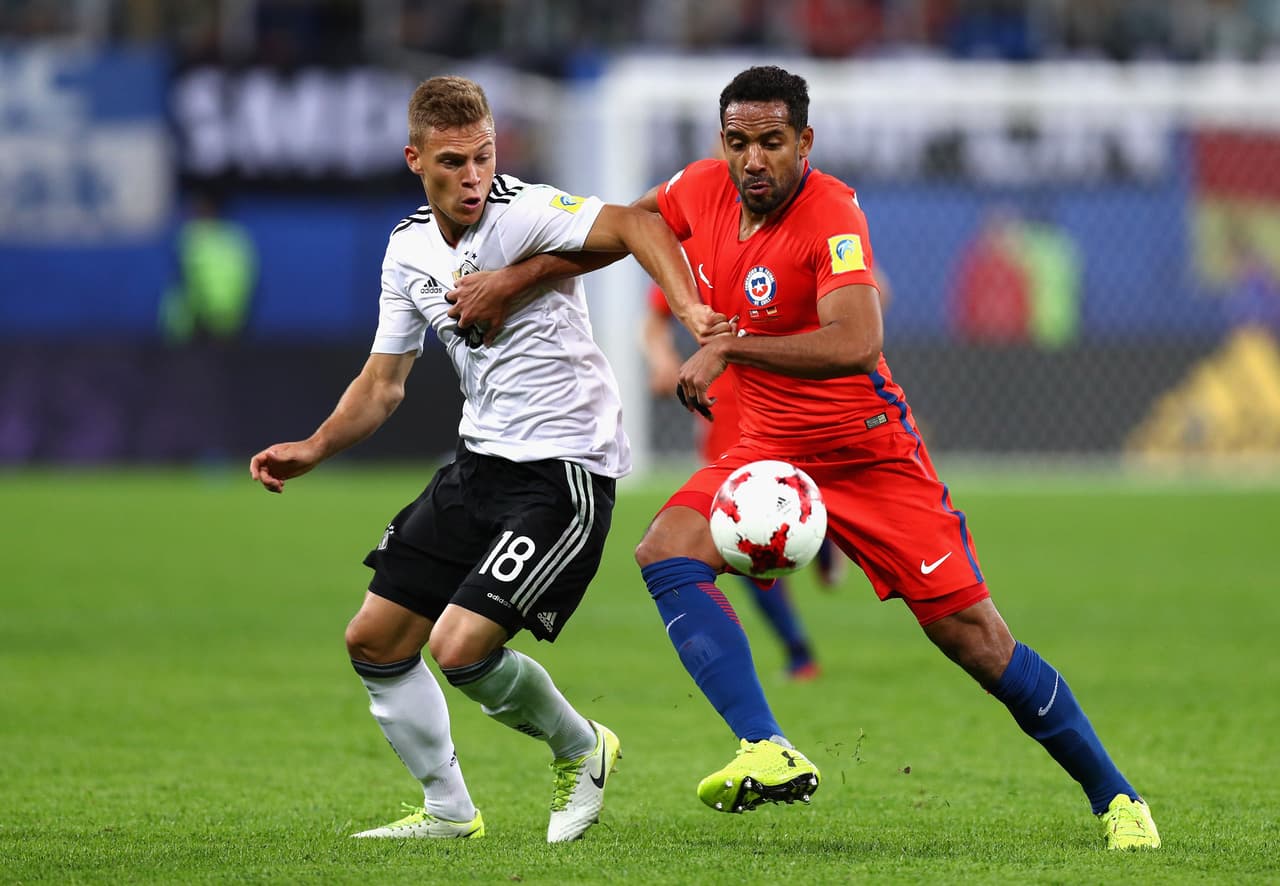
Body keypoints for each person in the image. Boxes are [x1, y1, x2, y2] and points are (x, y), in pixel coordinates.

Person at [446, 66, 1161, 850]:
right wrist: (514, 281)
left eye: (772, 143)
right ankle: (766, 744)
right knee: (664, 552)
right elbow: (624, 229)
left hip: (869, 454)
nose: (754, 160)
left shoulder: (832, 212)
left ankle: (1118, 798)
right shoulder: (701, 188)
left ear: (804, 143)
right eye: (740, 142)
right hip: (770, 450)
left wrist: (729, 347)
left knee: (977, 642)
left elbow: (859, 340)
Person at [249, 75, 722, 843]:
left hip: (564, 472)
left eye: (483, 157)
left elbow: (640, 225)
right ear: (415, 159)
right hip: (479, 464)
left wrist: (693, 311)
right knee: (373, 639)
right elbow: (382, 384)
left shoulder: (525, 211)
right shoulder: (406, 250)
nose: (473, 178)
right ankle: (447, 811)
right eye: (453, 163)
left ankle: (582, 748)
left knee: (459, 647)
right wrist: (314, 447)